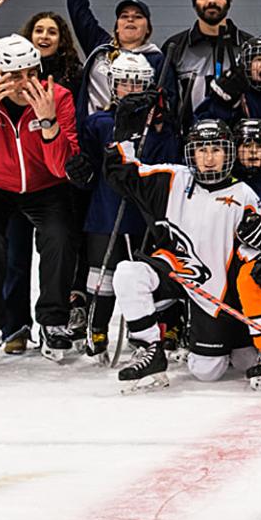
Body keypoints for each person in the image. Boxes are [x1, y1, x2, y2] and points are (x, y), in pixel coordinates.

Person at [105, 113, 261, 392]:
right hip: (177, 272)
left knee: (212, 369)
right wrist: (122, 138)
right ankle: (149, 348)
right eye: (202, 150)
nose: (209, 158)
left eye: (216, 149)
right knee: (128, 273)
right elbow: (123, 174)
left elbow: (259, 250)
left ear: (229, 153)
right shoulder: (172, 179)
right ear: (191, 153)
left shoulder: (244, 195)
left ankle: (251, 339)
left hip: (220, 294)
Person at [0, 34, 81, 366]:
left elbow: (62, 167)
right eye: (14, 76)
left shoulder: (58, 97)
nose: (24, 83)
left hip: (46, 185)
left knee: (61, 236)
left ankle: (53, 322)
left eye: (30, 72)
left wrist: (48, 122)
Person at [64, 55, 180, 358]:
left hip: (145, 214)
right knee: (101, 275)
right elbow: (88, 168)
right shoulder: (99, 122)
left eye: (137, 82)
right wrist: (80, 171)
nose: (130, 88)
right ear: (113, 85)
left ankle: (157, 328)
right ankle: (96, 326)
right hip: (105, 212)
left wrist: (158, 127)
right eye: (124, 82)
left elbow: (168, 161)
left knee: (149, 273)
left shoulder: (157, 124)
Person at [66, 0, 163, 117]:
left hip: (136, 136)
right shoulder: (100, 46)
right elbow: (78, 9)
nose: (130, 19)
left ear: (148, 29)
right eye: (124, 16)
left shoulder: (157, 60)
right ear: (117, 27)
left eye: (138, 16)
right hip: (94, 134)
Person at [157, 0, 250, 134]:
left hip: (238, 143)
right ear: (195, 3)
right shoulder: (175, 47)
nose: (212, 1)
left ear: (228, 2)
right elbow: (166, 101)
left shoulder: (247, 45)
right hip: (189, 143)